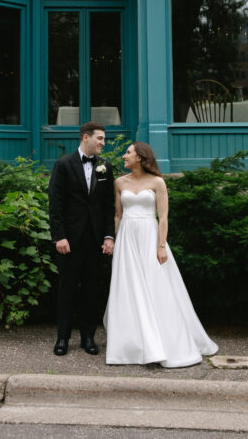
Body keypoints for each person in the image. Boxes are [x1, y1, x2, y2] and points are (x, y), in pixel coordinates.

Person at [104, 142, 218, 367]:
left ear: (140, 157)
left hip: (149, 235)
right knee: (128, 287)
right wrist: (114, 240)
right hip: (127, 238)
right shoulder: (119, 182)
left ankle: (164, 340)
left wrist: (161, 246)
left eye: (128, 152)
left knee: (155, 285)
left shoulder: (158, 182)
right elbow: (117, 215)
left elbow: (163, 217)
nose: (124, 156)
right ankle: (131, 344)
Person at [47, 122, 116, 356]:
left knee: (91, 290)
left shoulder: (105, 167)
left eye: (104, 139)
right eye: (100, 138)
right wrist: (60, 237)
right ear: (85, 137)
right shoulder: (63, 165)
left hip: (95, 240)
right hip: (70, 240)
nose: (102, 143)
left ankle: (88, 337)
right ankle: (62, 339)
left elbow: (109, 206)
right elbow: (55, 205)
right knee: (66, 289)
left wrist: (109, 236)